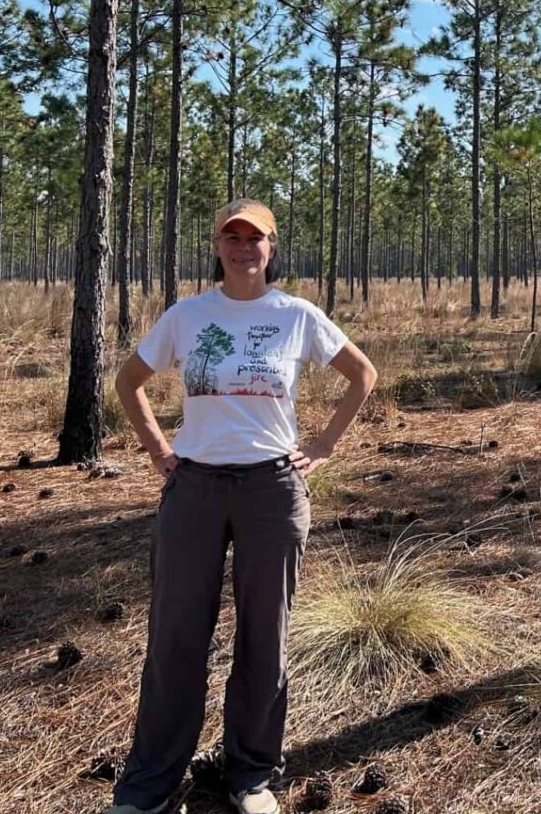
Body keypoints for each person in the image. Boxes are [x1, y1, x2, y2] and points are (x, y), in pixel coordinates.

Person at [105, 198, 376, 814]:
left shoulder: (296, 315)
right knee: (175, 637)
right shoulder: (188, 315)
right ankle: (148, 784)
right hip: (194, 488)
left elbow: (363, 374)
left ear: (272, 248)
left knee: (265, 637)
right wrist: (159, 450)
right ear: (216, 246)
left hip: (271, 491)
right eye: (231, 237)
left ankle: (250, 776)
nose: (242, 247)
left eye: (254, 238)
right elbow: (128, 382)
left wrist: (325, 445)